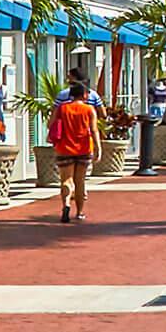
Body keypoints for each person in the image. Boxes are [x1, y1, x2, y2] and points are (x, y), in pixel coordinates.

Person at [46, 77, 101, 224]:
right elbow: (94, 130)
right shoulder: (89, 109)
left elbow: (50, 124)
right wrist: (98, 148)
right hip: (83, 147)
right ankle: (80, 212)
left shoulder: (62, 108)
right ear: (84, 95)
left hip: (64, 148)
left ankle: (66, 205)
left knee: (66, 180)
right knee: (80, 181)